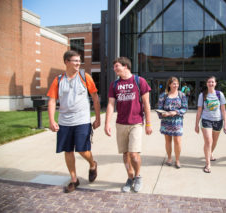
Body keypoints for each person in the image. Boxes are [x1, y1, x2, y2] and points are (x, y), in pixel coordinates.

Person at [47, 50, 101, 193]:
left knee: (83, 150)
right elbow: (52, 101)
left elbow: (95, 98)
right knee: (68, 150)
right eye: (75, 60)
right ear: (66, 62)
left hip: (82, 120)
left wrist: (98, 117)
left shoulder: (85, 77)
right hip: (64, 122)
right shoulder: (58, 80)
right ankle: (74, 179)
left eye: (79, 61)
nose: (78, 63)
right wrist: (52, 120)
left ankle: (92, 164)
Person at [104, 57, 152, 193]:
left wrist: (148, 123)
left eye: (117, 66)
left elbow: (147, 104)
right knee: (125, 154)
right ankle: (130, 177)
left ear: (126, 66)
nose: (114, 69)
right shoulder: (114, 85)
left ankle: (138, 176)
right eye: (114, 67)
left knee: (133, 154)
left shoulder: (139, 81)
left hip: (136, 122)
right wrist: (107, 123)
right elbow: (110, 104)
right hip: (121, 123)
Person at [195, 76, 226, 173]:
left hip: (218, 120)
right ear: (206, 84)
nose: (211, 83)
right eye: (209, 82)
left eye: (212, 82)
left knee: (214, 142)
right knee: (209, 141)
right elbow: (199, 110)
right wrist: (196, 124)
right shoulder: (202, 95)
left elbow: (223, 110)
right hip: (206, 120)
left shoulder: (220, 94)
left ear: (215, 83)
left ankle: (210, 153)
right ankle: (208, 163)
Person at [157, 77, 188, 169]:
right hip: (166, 121)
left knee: (177, 141)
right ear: (169, 84)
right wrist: (163, 114)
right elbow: (159, 108)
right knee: (168, 141)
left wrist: (175, 112)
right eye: (174, 83)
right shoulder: (164, 95)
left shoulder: (181, 95)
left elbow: (185, 108)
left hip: (177, 121)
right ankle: (169, 158)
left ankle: (177, 160)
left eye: (177, 84)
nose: (176, 85)